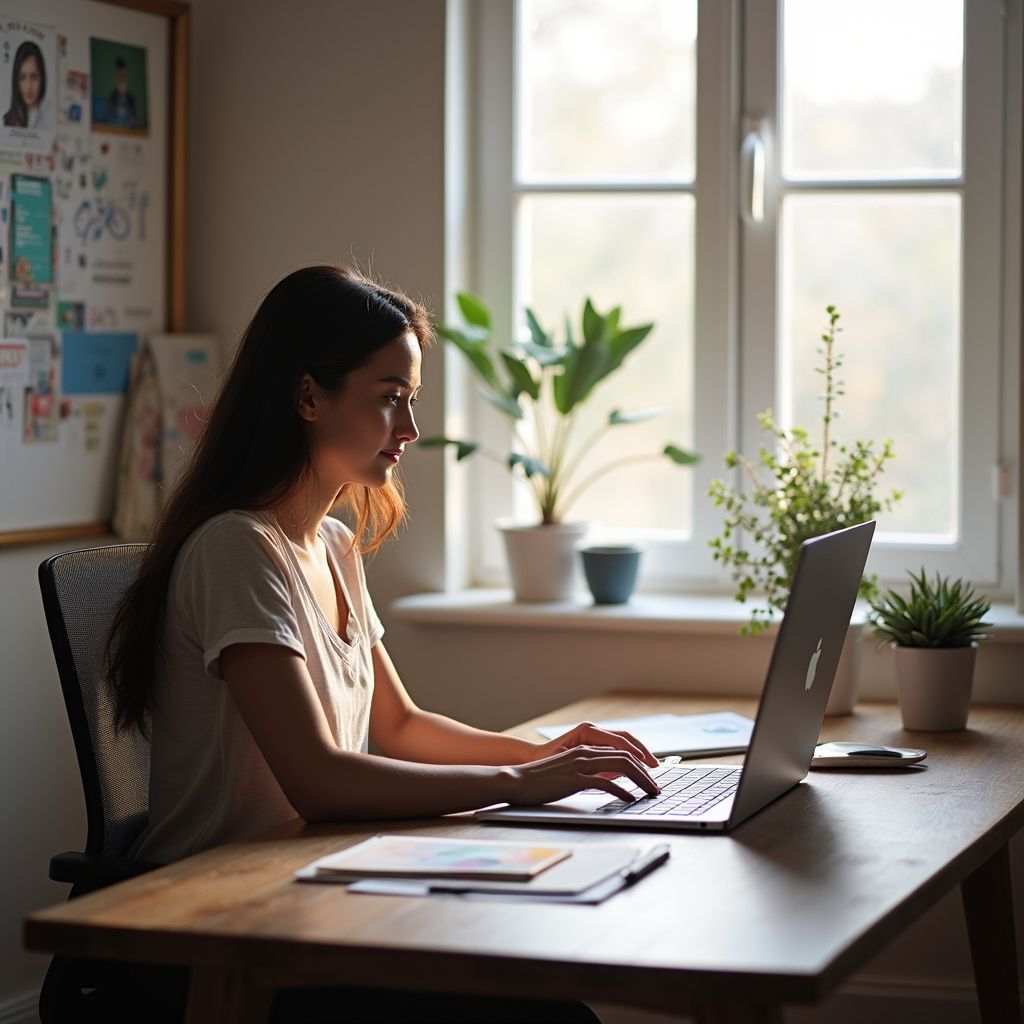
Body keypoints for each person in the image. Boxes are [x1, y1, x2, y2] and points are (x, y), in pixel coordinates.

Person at [106, 265, 661, 1023]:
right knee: (541, 1013)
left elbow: (398, 726)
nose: (409, 430)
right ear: (308, 396)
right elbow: (321, 781)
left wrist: (545, 756)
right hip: (224, 925)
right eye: (389, 399)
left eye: (411, 400)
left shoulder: (331, 544)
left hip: (307, 882)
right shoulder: (236, 548)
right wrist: (517, 782)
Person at [3, 40, 48, 130]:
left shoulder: (48, 119)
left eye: (34, 77)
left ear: (42, 78)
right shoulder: (6, 121)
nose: (28, 86)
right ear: (16, 80)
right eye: (22, 78)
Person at [107, 56, 137, 127]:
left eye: (123, 72)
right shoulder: (112, 95)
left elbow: (135, 118)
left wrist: (132, 121)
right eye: (118, 72)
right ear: (116, 73)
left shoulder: (131, 97)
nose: (120, 74)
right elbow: (109, 113)